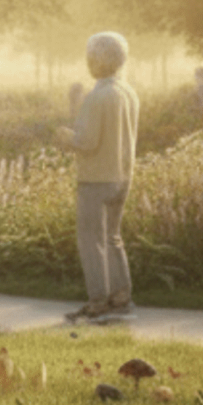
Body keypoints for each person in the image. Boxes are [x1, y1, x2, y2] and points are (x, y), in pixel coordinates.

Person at [58, 32, 140, 325]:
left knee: (91, 240)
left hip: (95, 178)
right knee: (113, 237)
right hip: (122, 176)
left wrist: (66, 137)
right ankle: (121, 296)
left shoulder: (96, 97)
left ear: (98, 59)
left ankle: (97, 302)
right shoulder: (128, 93)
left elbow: (88, 141)